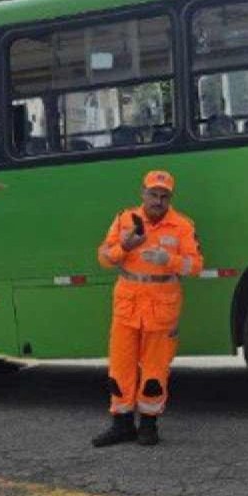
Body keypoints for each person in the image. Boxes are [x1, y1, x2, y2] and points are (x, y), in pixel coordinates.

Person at [92, 170, 204, 447]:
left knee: (155, 371)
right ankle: (122, 425)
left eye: (164, 196)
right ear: (142, 194)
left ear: (170, 199)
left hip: (161, 307)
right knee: (120, 369)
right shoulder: (125, 220)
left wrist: (170, 260)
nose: (158, 200)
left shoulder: (182, 226)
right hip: (127, 306)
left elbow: (196, 266)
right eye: (153, 194)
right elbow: (104, 257)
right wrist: (124, 247)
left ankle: (149, 426)